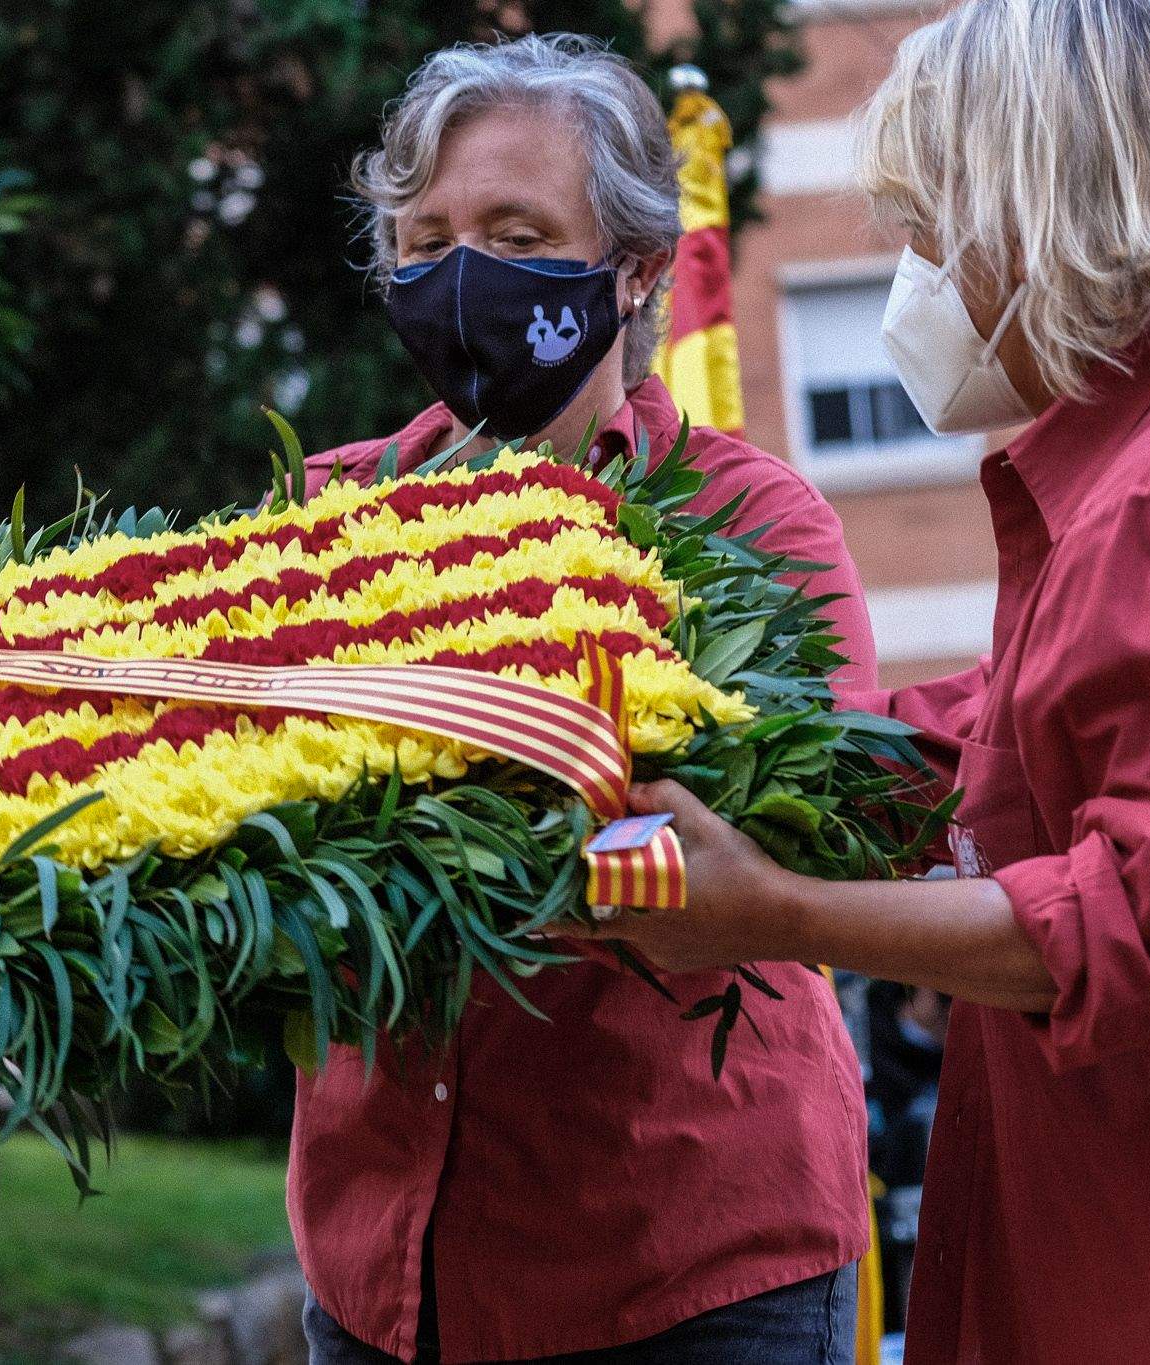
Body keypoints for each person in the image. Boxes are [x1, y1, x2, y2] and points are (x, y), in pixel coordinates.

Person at [582, 1, 1150, 1359]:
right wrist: (720, 745)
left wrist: (776, 910)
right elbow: (1012, 739)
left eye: (929, 229)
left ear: (1034, 206)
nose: (917, 276)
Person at [289, 35, 874, 1364]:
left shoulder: (755, 525)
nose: (463, 278)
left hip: (687, 1266)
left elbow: (822, 847)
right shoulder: (323, 519)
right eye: (426, 241)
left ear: (638, 268)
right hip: (385, 1270)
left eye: (516, 236)